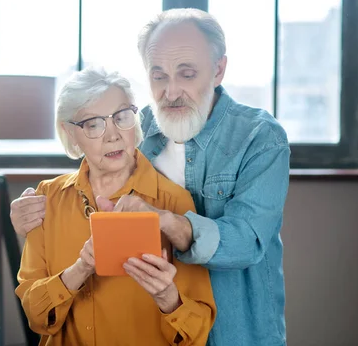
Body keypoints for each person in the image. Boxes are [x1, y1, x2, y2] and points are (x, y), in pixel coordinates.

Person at [11, 8, 291, 346]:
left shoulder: (260, 137)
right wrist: (34, 213)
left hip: (236, 331)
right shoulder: (137, 125)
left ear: (219, 70)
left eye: (187, 74)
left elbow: (248, 241)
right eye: (159, 76)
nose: (171, 92)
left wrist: (169, 222)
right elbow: (95, 155)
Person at [14, 66, 217, 346]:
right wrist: (81, 268)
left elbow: (196, 335)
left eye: (121, 117)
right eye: (93, 124)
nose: (113, 135)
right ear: (70, 133)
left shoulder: (172, 202)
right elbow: (36, 316)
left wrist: (166, 297)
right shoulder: (47, 198)